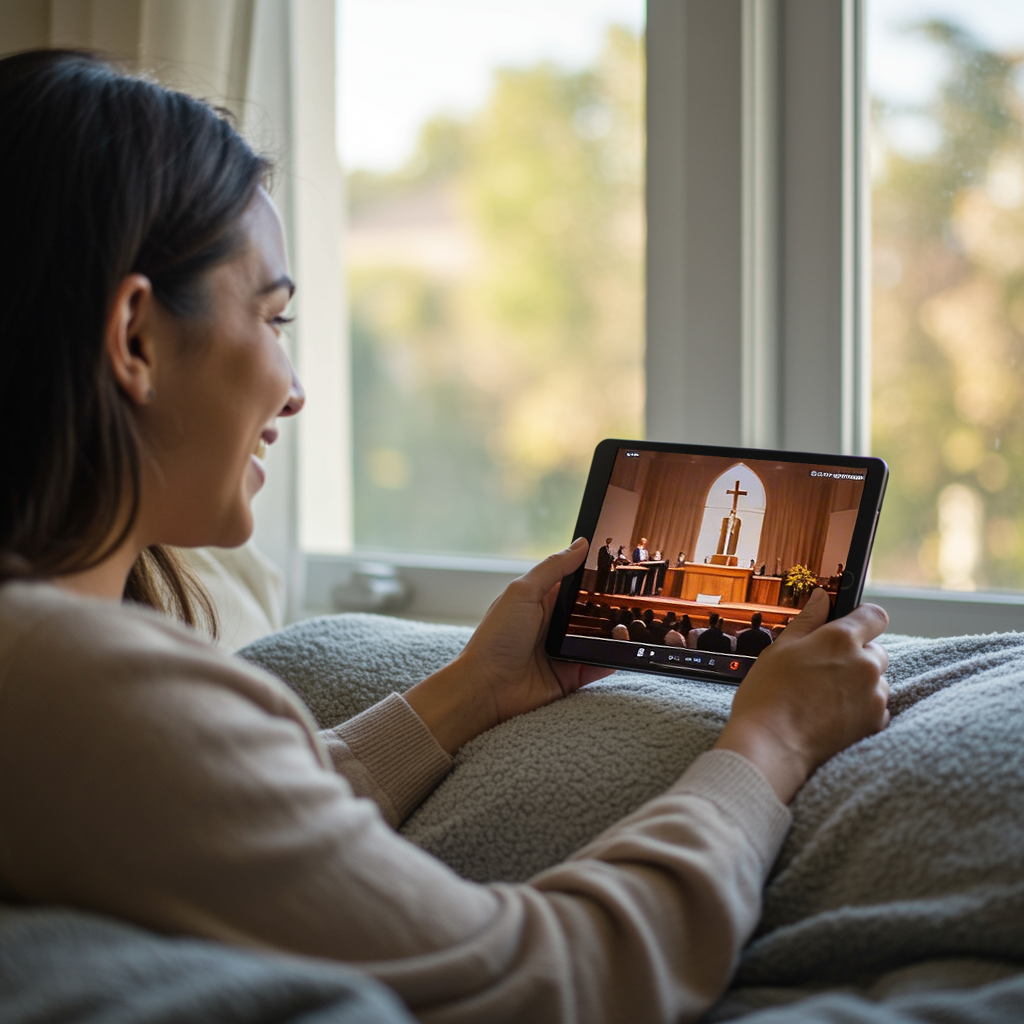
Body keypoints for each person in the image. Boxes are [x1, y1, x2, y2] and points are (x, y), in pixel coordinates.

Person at [0, 50, 892, 1024]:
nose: (295, 389)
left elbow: (202, 825)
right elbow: (553, 977)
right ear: (134, 336)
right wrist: (767, 746)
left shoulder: (61, 699)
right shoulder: (73, 678)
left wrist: (469, 693)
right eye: (273, 314)